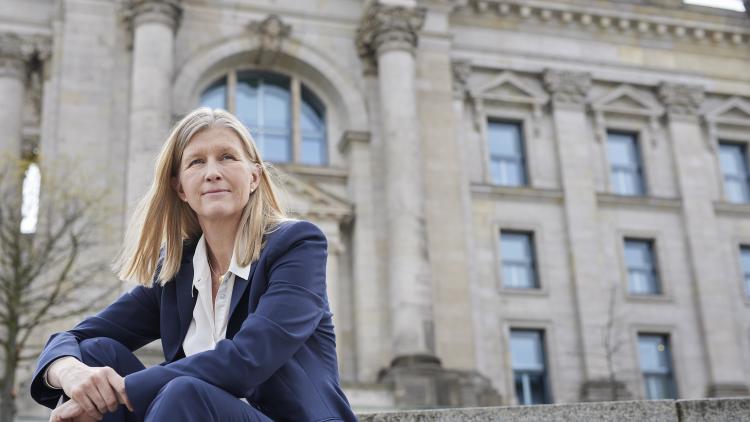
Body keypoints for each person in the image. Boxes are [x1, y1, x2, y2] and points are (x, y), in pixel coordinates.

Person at [29, 108, 358, 422]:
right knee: (97, 354)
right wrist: (70, 372)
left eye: (227, 157)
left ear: (255, 176)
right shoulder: (177, 271)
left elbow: (249, 360)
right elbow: (77, 336)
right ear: (180, 188)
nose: (213, 172)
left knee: (185, 392)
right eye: (197, 162)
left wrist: (123, 389)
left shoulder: (296, 245)